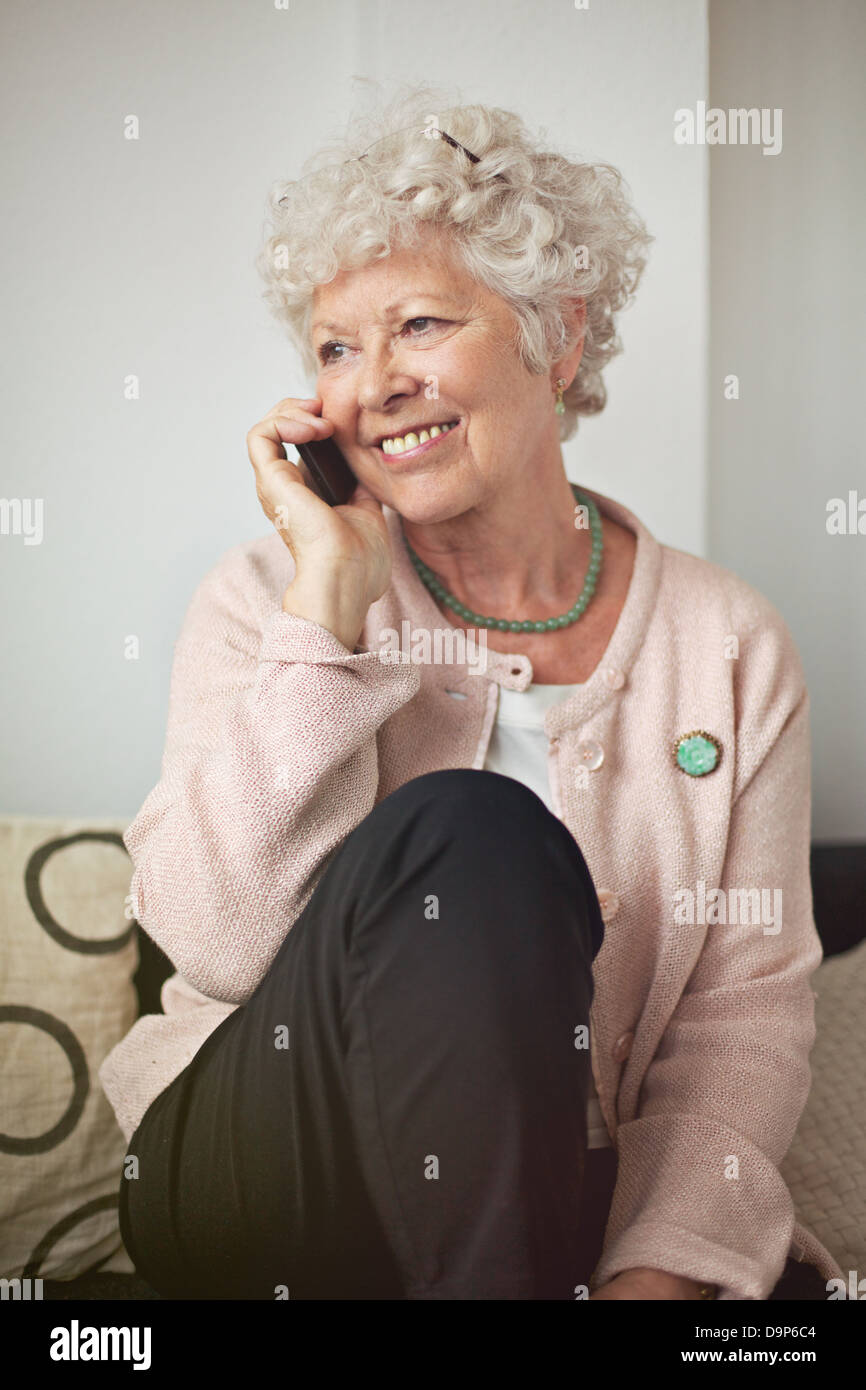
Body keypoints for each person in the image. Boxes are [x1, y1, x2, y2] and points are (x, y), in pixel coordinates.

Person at [100, 88, 843, 1300]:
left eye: (419, 325)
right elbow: (219, 945)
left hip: (568, 1176)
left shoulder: (726, 642)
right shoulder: (268, 599)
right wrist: (330, 604)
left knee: (768, 1305)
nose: (373, 382)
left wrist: (657, 1271)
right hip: (262, 1152)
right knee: (474, 832)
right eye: (335, 348)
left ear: (557, 332)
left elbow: (741, 1021)